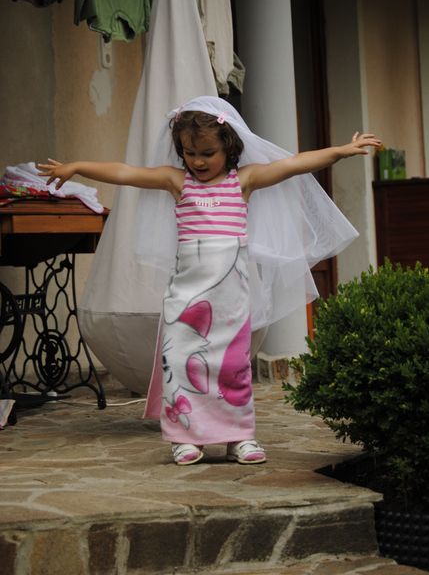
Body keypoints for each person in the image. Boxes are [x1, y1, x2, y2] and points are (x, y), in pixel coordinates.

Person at [38, 95, 381, 466]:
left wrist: (341, 151)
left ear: (229, 147)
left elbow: (294, 164)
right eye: (189, 153)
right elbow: (125, 172)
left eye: (207, 153)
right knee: (182, 365)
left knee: (232, 370)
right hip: (186, 300)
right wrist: (77, 167)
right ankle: (185, 438)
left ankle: (239, 438)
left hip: (231, 300)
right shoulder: (176, 182)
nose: (198, 161)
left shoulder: (243, 182)